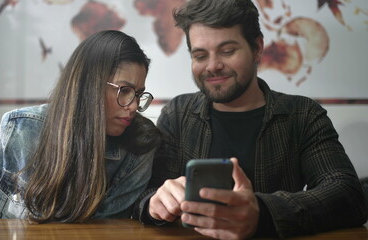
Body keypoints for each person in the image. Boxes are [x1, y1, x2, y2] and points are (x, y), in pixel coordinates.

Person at [132, 0, 368, 239]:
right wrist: (155, 203)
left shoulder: (302, 115)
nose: (213, 66)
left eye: (227, 51)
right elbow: (145, 194)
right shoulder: (178, 113)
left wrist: (262, 213)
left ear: (257, 48)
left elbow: (348, 195)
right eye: (200, 55)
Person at [0, 30, 161, 223]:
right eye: (124, 90)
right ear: (89, 86)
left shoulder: (139, 143)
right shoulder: (18, 129)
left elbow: (106, 232)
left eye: (139, 94)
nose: (133, 106)